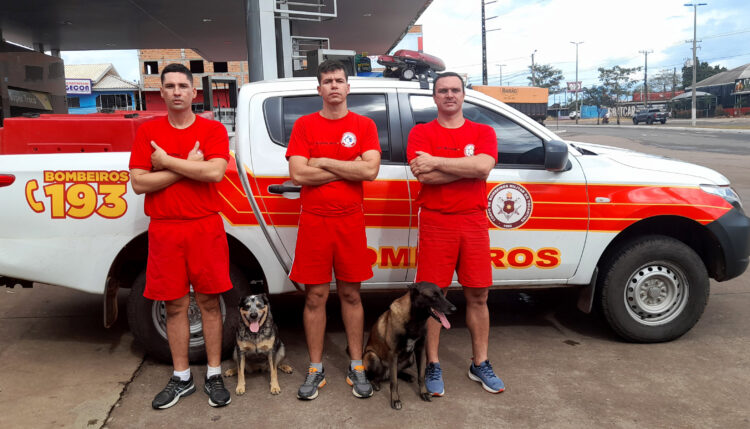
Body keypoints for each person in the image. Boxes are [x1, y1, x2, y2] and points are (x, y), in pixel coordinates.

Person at [129, 63, 232, 409]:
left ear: (193, 92)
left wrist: (165, 163)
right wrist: (186, 165)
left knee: (209, 303)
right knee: (175, 305)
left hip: (204, 226)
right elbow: (140, 183)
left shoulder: (212, 129)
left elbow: (215, 172)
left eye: (182, 86)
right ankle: (181, 377)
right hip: (165, 229)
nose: (176, 91)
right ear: (161, 92)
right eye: (169, 85)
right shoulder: (147, 132)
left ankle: (214, 374)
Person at [285, 60, 381, 400]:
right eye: (327, 81)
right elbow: (298, 175)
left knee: (352, 294)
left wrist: (322, 162)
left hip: (350, 220)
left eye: (339, 80)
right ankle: (315, 368)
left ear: (348, 87)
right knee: (315, 296)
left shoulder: (364, 124)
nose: (334, 86)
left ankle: (356, 364)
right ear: (319, 89)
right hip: (314, 220)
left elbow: (370, 171)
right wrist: (348, 167)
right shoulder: (304, 126)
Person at [406, 71, 505, 396]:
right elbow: (427, 178)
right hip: (436, 223)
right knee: (434, 297)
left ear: (464, 95)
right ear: (434, 97)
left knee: (479, 295)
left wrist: (438, 162)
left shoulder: (483, 131)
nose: (449, 95)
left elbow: (483, 168)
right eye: (443, 90)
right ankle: (433, 364)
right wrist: (466, 168)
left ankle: (480, 363)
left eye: (455, 90)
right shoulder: (421, 133)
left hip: (473, 222)